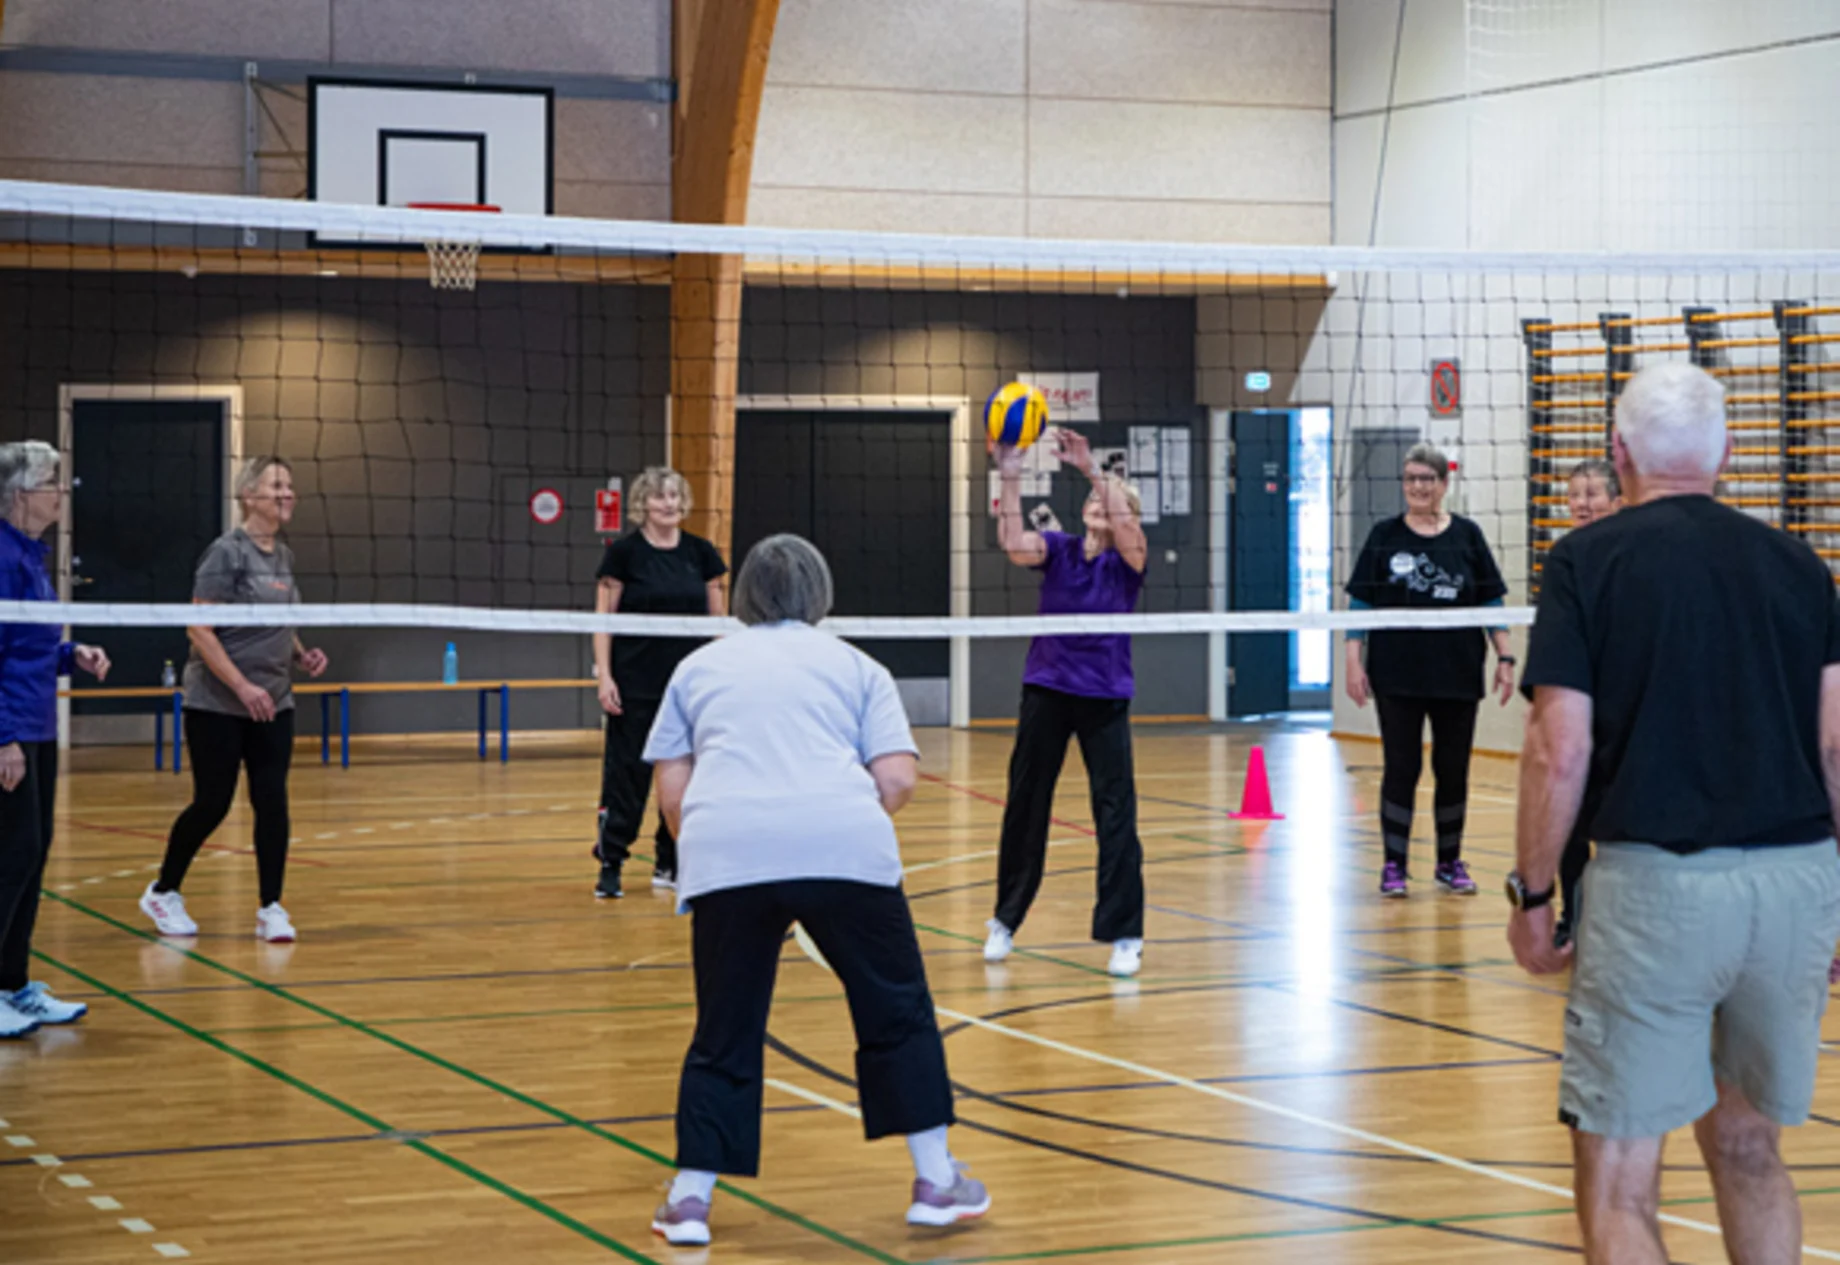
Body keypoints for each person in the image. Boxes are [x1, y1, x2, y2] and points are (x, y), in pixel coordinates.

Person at [1509, 362, 1840, 1264]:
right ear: (1728, 453)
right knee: (1748, 1147)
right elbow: (1837, 746)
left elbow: (1558, 747)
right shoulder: (1802, 564)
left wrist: (1532, 892)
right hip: (1797, 882)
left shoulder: (1586, 560)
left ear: (1617, 454)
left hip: (1659, 889)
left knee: (1619, 1174)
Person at [643, 534, 988, 1247]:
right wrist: (825, 818)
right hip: (844, 848)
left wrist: (723, 842)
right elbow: (896, 779)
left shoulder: (698, 666)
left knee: (725, 1025)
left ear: (742, 597)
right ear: (821, 594)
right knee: (896, 1011)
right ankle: (935, 1181)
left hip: (726, 852)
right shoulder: (858, 665)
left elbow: (671, 791)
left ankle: (689, 1199)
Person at [982, 427, 1149, 979]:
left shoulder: (1129, 562)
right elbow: (1012, 543)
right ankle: (1005, 920)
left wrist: (1093, 469)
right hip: (1047, 689)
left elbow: (1127, 528)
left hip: (1104, 696)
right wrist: (1009, 476)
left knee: (1115, 812)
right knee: (1026, 803)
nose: (1101, 506)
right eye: (1095, 501)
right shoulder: (1058, 550)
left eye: (1113, 503)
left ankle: (1124, 933)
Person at [140, 457, 327, 944]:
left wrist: (303, 655)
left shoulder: (282, 557)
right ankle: (164, 890)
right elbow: (198, 629)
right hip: (217, 702)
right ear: (249, 496)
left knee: (272, 801)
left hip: (274, 701)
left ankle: (271, 908)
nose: (288, 493)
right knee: (212, 802)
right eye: (276, 485)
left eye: (290, 485)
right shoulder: (226, 553)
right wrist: (242, 687)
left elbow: (279, 625)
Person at [1345, 442, 1514, 898]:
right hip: (1397, 674)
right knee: (1401, 768)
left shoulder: (1467, 535)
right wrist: (1352, 662)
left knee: (1453, 769)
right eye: (1411, 479)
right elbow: (1360, 603)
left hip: (1457, 672)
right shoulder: (1384, 536)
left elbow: (1489, 600)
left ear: (1443, 484)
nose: (1418, 487)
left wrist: (1505, 656)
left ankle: (1449, 862)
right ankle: (1394, 866)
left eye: (1427, 479)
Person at [0, 442, 109, 1037]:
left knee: (32, 856)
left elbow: (29, 647)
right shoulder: (0, 555)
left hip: (38, 728)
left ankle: (14, 985)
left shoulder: (33, 557)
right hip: (11, 731)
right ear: (20, 494)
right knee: (11, 858)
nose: (61, 492)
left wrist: (73, 654)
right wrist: (3, 737)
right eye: (51, 482)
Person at [590, 466, 726, 898]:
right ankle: (611, 862)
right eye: (660, 496)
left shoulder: (701, 554)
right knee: (627, 776)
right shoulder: (623, 555)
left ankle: (671, 859)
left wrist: (723, 674)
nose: (669, 504)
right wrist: (605, 675)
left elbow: (718, 621)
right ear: (643, 503)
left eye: (675, 496)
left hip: (690, 686)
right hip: (635, 683)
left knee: (686, 774)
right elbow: (602, 621)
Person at [1555, 457, 1622, 946]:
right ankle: (1572, 919)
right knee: (1571, 822)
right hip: (1583, 710)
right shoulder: (1565, 558)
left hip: (1629, 715)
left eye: (1592, 493)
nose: (1582, 503)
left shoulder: (1634, 553)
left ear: (1618, 501)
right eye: (1575, 494)